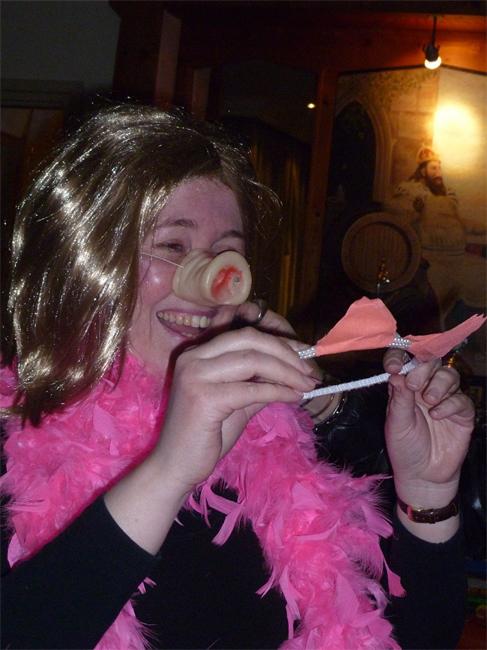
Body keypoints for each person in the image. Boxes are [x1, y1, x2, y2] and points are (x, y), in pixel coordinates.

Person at [0, 105, 474, 650]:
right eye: (173, 246)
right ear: (84, 257)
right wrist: (168, 470)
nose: (212, 284)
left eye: (228, 253)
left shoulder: (274, 438)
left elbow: (405, 639)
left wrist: (427, 496)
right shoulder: (14, 447)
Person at [384, 145, 486, 336]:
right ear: (423, 171)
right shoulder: (412, 191)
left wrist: (482, 228)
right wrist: (415, 209)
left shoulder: (447, 196)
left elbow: (459, 222)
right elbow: (395, 213)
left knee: (481, 277)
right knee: (438, 295)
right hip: (432, 259)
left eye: (439, 168)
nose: (438, 172)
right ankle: (440, 338)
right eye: (433, 168)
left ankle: (471, 337)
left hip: (458, 258)